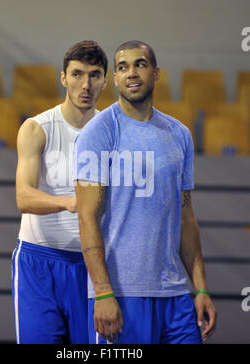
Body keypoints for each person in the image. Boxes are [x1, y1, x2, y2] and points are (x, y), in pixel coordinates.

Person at [73, 40, 217, 344]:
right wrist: (103, 292)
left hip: (175, 294)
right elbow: (86, 217)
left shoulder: (179, 134)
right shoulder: (99, 132)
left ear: (156, 73)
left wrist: (200, 288)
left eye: (140, 64)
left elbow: (186, 216)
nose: (132, 73)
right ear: (115, 79)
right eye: (123, 67)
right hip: (123, 296)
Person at [12, 40, 108, 344]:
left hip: (91, 264)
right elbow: (23, 197)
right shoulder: (36, 128)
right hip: (37, 262)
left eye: (94, 75)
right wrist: (71, 202)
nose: (86, 84)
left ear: (106, 80)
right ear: (63, 77)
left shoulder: (113, 132)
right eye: (77, 74)